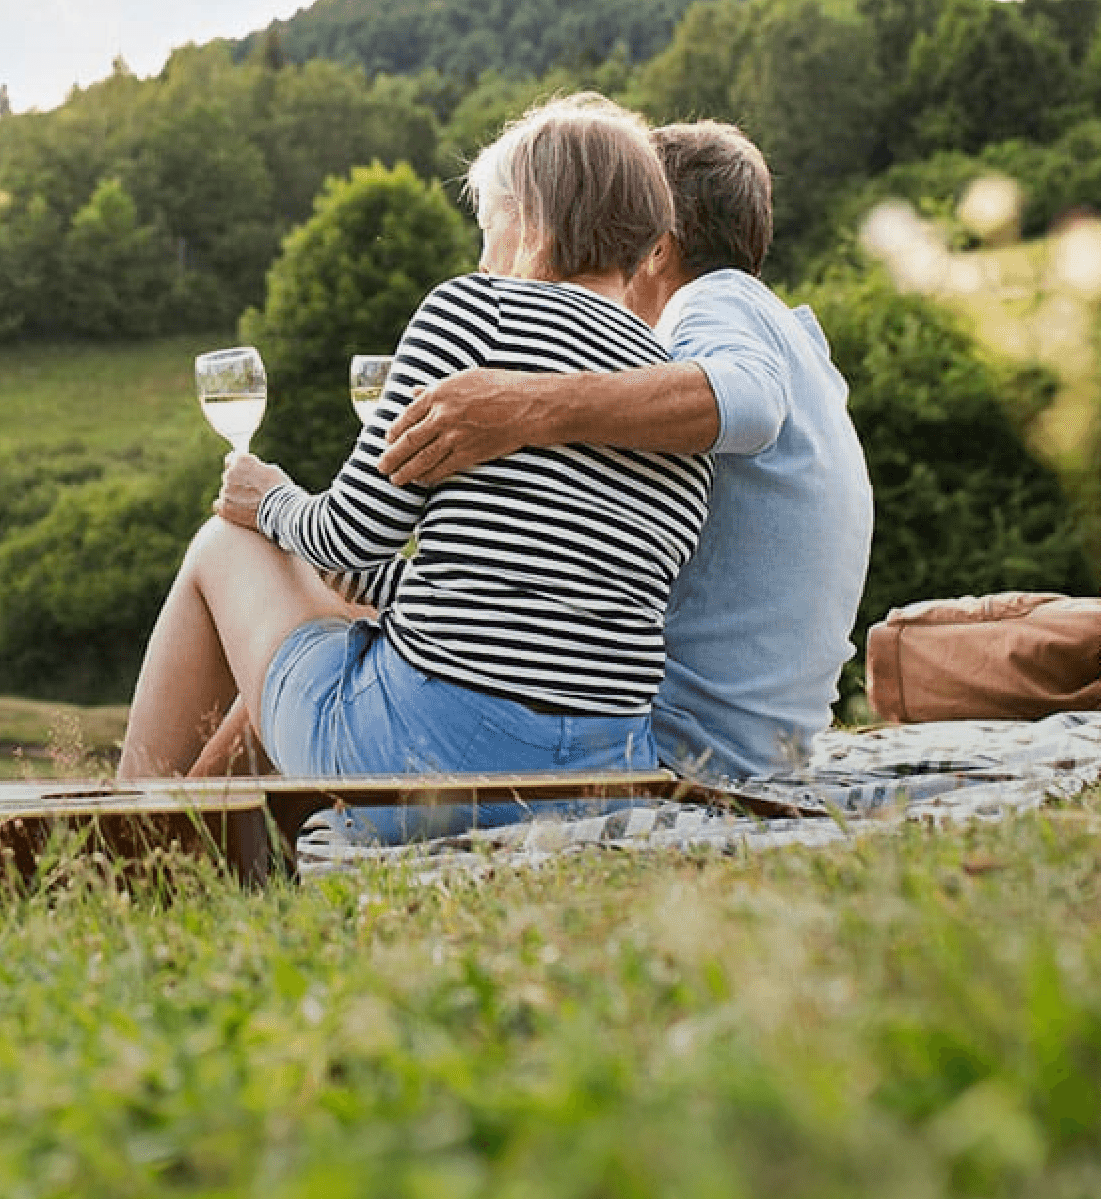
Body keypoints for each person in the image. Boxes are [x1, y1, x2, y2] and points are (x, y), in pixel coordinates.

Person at [116, 94, 711, 794]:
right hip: (602, 772)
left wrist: (268, 498)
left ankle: (118, 833)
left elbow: (347, 537)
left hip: (429, 759)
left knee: (223, 545)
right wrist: (350, 575)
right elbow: (541, 602)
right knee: (338, 605)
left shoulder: (474, 311)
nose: (485, 256)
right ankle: (184, 840)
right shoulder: (670, 394)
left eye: (489, 227)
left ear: (532, 222)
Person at [380, 119, 873, 778]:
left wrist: (527, 405)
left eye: (625, 241)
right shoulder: (790, 339)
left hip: (687, 750)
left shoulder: (709, 305)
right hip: (762, 747)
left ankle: (208, 832)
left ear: (660, 250)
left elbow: (748, 401)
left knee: (335, 601)